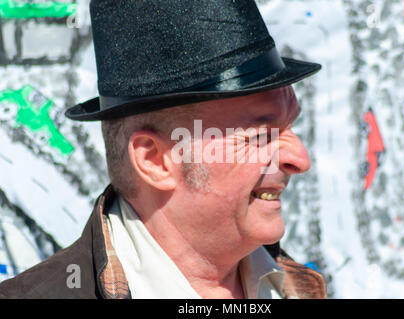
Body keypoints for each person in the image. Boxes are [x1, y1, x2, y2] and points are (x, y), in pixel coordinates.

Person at [0, 0, 326, 299]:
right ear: (155, 160)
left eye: (289, 126)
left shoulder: (295, 288)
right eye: (259, 136)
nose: (300, 159)